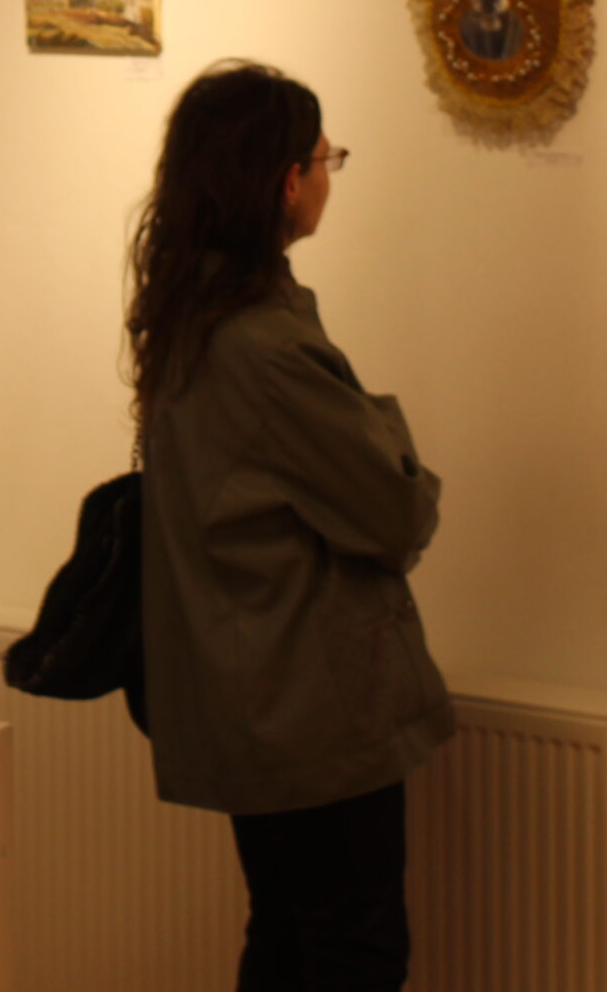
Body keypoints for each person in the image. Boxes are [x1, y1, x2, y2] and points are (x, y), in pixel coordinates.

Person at [128, 61, 455, 991]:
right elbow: (397, 510)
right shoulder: (266, 346)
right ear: (286, 182)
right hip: (311, 710)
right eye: (324, 158)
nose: (327, 175)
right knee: (353, 951)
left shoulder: (186, 319)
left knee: (287, 935)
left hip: (252, 698)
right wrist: (385, 427)